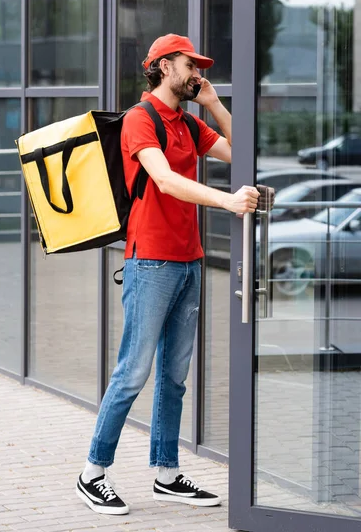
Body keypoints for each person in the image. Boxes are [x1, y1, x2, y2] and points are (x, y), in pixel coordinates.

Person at [76, 33, 261, 515]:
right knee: (134, 372)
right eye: (188, 63)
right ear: (161, 66)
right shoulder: (141, 120)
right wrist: (226, 201)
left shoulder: (189, 122)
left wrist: (216, 104)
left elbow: (243, 153)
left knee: (175, 378)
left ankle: (166, 472)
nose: (197, 71)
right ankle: (93, 472)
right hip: (151, 261)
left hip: (189, 261)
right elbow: (163, 179)